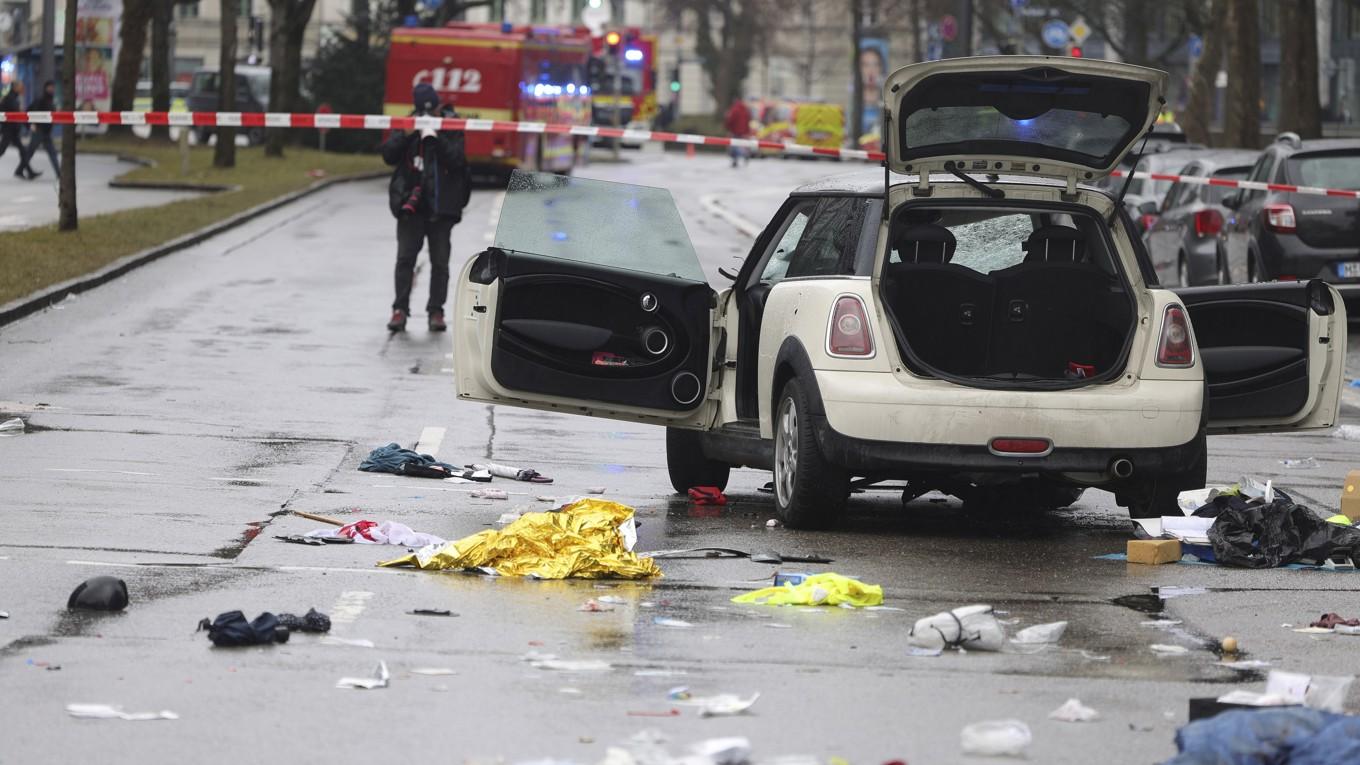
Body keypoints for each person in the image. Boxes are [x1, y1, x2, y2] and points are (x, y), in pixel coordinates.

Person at [381, 83, 471, 333]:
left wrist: (436, 136)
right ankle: (399, 309)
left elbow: (457, 161)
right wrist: (409, 134)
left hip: (442, 206)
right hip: (412, 204)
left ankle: (436, 311)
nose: (427, 117)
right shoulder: (408, 122)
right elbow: (388, 155)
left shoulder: (452, 125)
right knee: (405, 259)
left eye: (432, 112)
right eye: (423, 112)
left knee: (440, 262)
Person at [0, 81, 39, 180]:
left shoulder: (13, 98)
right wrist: (28, 125)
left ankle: (25, 171)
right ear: (15, 87)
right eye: (20, 86)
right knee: (2, 150)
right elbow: (16, 115)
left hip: (13, 131)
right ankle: (25, 171)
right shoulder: (9, 99)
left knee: (23, 151)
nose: (22, 88)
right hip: (8, 130)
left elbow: (19, 115)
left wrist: (28, 125)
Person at [23, 81, 59, 177]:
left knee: (52, 153)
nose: (52, 89)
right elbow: (31, 111)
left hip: (46, 132)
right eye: (50, 87)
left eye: (53, 87)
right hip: (39, 130)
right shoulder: (41, 99)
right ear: (46, 88)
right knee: (30, 152)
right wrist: (32, 124)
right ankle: (20, 169)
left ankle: (59, 174)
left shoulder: (51, 100)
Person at [723, 96, 751, 168]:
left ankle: (735, 160)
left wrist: (728, 128)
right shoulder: (746, 110)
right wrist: (747, 131)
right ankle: (745, 155)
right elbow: (748, 121)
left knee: (733, 147)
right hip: (744, 132)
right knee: (741, 146)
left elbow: (730, 120)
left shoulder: (734, 109)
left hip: (735, 131)